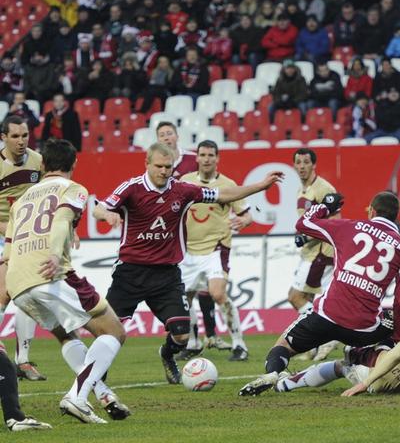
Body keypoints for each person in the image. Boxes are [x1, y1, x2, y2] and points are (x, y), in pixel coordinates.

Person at [92, 143, 282, 384]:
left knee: (182, 334)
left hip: (166, 274)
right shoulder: (132, 188)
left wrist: (261, 186)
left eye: (168, 166)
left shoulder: (183, 190)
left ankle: (167, 354)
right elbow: (99, 208)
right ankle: (96, 377)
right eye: (158, 166)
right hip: (131, 272)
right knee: (110, 331)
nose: (163, 171)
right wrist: (107, 214)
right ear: (147, 164)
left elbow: (223, 194)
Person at [239, 191, 400, 396]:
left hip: (325, 316)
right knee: (394, 322)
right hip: (363, 330)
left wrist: (326, 207)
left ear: (372, 211)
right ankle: (364, 359)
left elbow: (303, 224)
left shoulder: (349, 227)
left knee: (284, 346)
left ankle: (273, 373)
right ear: (396, 216)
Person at [4, 139, 130, 424]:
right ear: (74, 164)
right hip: (50, 273)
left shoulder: (21, 200)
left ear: (43, 165)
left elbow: (7, 251)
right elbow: (61, 220)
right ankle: (77, 396)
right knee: (113, 331)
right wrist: (52, 252)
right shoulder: (73, 189)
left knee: (65, 334)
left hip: (18, 282)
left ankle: (103, 394)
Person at [178, 141, 253, 362]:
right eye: (203, 154)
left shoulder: (228, 184)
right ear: (197, 158)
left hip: (215, 248)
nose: (207, 158)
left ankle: (239, 344)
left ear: (217, 158)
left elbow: (247, 214)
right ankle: (193, 343)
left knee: (217, 294)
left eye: (211, 155)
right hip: (188, 250)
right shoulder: (185, 182)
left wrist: (243, 221)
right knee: (185, 298)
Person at [156, 123, 227, 352]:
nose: (166, 138)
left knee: (210, 292)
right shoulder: (157, 164)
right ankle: (193, 341)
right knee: (186, 293)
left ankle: (217, 336)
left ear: (177, 136)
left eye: (169, 133)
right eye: (161, 135)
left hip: (209, 241)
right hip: (182, 240)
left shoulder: (190, 162)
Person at [0, 116, 45, 381]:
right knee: (3, 293)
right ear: (3, 137)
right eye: (15, 136)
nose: (21, 141)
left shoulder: (38, 161)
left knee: (29, 295)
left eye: (25, 135)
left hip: (28, 238)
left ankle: (24, 361)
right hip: (2, 234)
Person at [288, 148, 339, 361]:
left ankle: (328, 336)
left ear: (313, 165)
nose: (301, 166)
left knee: (296, 297)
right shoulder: (303, 190)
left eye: (305, 162)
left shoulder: (324, 189)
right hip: (310, 253)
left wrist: (307, 237)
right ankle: (312, 346)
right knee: (308, 299)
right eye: (298, 162)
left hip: (320, 253)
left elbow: (335, 221)